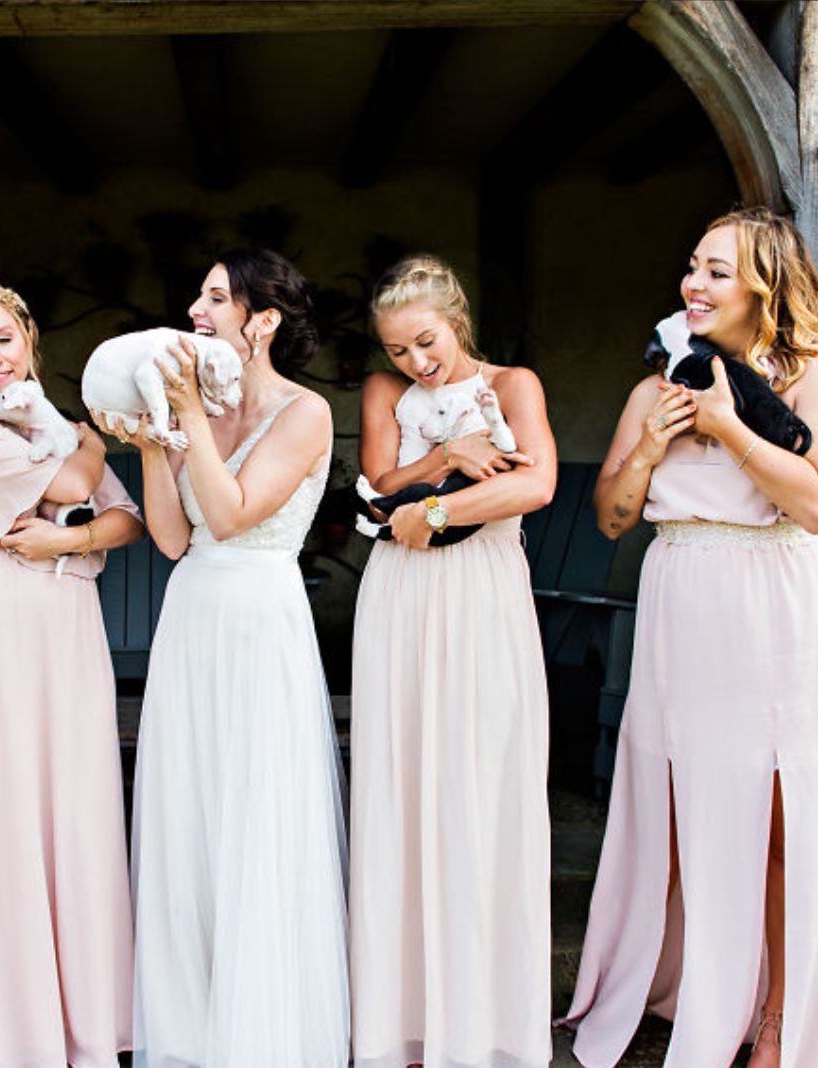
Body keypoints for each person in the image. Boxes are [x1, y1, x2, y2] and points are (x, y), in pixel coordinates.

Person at [565, 207, 818, 1068]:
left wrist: (727, 428)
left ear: (764, 284)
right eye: (691, 267)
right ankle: (698, 985)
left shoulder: (816, 377)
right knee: (680, 814)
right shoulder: (656, 385)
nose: (694, 284)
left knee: (778, 817)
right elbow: (609, 519)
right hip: (681, 604)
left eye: (716, 271)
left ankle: (782, 1015)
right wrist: (648, 447)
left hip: (775, 610)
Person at [106, 249, 350, 1068]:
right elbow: (175, 539)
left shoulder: (305, 413)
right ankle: (185, 1032)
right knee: (187, 819)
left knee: (257, 819)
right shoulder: (192, 403)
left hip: (260, 622)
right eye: (199, 294)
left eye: (217, 297)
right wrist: (152, 439)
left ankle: (261, 1036)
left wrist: (189, 421)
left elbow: (236, 512)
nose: (198, 309)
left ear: (265, 320)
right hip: (193, 620)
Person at [349, 255, 558, 1068]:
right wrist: (448, 457)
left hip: (482, 595)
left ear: (456, 319)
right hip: (401, 595)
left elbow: (536, 484)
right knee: (401, 784)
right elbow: (375, 487)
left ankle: (482, 1017)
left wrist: (433, 508)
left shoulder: (515, 385)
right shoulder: (381, 395)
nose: (415, 363)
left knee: (481, 781)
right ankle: (402, 1019)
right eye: (399, 351)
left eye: (426, 342)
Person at [0, 282, 143, 1068]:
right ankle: (14, 1026)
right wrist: (86, 448)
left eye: (2, 340)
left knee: (76, 808)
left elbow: (126, 521)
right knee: (8, 811)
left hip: (66, 631)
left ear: (28, 342)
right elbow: (78, 488)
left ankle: (86, 1017)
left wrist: (65, 543)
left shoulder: (52, 424)